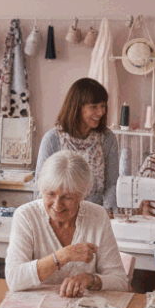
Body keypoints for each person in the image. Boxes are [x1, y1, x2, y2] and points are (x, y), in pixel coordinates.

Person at [6, 150, 129, 297]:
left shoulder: (97, 216)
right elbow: (14, 279)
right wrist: (63, 256)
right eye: (50, 194)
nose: (57, 205)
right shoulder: (26, 216)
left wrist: (91, 279)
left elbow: (120, 282)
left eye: (67, 197)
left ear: (82, 194)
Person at [35, 78, 119, 211]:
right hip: (60, 212)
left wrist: (108, 212)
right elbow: (40, 187)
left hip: (95, 212)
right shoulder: (52, 139)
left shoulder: (108, 139)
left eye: (103, 106)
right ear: (77, 107)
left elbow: (112, 184)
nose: (100, 112)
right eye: (94, 107)